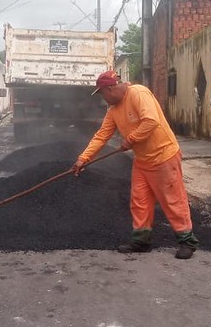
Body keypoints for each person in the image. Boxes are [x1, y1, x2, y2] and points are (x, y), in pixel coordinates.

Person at [72, 70, 199, 260]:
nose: (103, 99)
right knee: (139, 201)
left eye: (102, 94)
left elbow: (151, 121)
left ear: (110, 88)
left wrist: (130, 140)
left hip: (164, 156)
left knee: (173, 200)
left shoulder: (138, 93)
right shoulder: (114, 111)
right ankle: (141, 240)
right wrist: (83, 159)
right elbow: (101, 136)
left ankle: (187, 241)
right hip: (142, 161)